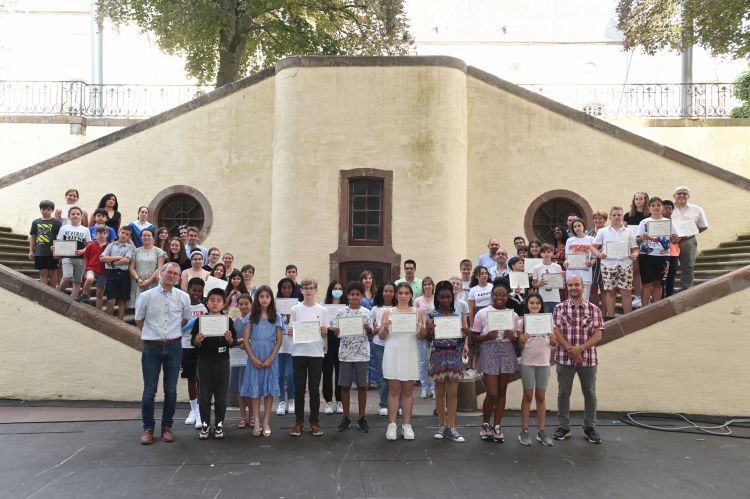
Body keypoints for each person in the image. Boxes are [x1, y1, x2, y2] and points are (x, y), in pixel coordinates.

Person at [135, 262, 192, 445]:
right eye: (169, 272)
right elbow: (139, 320)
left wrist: (170, 334)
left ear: (178, 277)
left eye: (176, 274)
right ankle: (148, 429)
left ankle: (167, 427)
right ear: (161, 273)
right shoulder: (146, 296)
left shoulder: (183, 297)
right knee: (149, 391)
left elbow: (184, 319)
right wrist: (154, 335)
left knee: (171, 390)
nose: (172, 276)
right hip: (151, 348)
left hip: (174, 347)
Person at [552, 275, 605, 444]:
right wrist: (570, 349)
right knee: (563, 393)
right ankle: (564, 427)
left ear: (583, 287)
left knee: (590, 393)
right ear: (567, 287)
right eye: (570, 285)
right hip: (564, 358)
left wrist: (579, 350)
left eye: (577, 285)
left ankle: (589, 427)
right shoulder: (559, 308)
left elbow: (598, 335)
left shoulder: (594, 309)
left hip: (587, 359)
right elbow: (556, 331)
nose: (574, 288)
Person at [472, 283, 519, 443]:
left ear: (508, 296)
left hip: (506, 352)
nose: (499, 297)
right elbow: (474, 337)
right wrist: (486, 337)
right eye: (496, 294)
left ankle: (497, 426)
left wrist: (513, 338)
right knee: (492, 392)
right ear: (491, 295)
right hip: (489, 351)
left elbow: (517, 340)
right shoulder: (482, 313)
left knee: (502, 391)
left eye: (503, 294)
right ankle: (485, 424)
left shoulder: (513, 316)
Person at [379, 282, 426, 440]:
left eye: (407, 293)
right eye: (401, 293)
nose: (404, 295)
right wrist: (385, 327)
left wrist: (421, 330)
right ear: (396, 295)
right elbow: (381, 336)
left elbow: (421, 337)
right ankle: (392, 425)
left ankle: (407, 426)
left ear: (411, 295)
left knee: (407, 391)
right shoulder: (388, 312)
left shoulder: (417, 312)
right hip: (393, 352)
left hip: (410, 353)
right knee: (393, 391)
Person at [425, 281, 469, 443]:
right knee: (439, 392)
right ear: (437, 297)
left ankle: (451, 427)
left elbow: (460, 340)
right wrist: (429, 332)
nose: (445, 300)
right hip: (437, 355)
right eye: (442, 297)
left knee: (452, 393)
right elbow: (427, 339)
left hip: (453, 354)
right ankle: (441, 425)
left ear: (452, 298)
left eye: (448, 297)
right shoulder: (431, 316)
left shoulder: (458, 316)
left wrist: (464, 334)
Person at [191, 288, 237, 440]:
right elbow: (193, 341)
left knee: (221, 397)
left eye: (219, 301)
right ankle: (205, 425)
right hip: (204, 361)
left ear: (224, 304)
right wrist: (197, 340)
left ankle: (219, 425)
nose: (215, 303)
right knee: (204, 396)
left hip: (222, 361)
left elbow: (233, 342)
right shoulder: (200, 321)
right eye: (212, 300)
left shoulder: (228, 321)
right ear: (207, 302)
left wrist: (230, 339)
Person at [331, 282, 374, 433]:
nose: (355, 297)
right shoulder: (341, 312)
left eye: (358, 294)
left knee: (363, 386)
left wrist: (369, 329)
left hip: (362, 354)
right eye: (352, 294)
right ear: (347, 295)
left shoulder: (366, 312)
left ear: (361, 296)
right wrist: (336, 331)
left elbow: (372, 333)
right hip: (345, 354)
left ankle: (362, 417)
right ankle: (346, 418)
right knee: (345, 386)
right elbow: (336, 333)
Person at [241, 285, 284, 438]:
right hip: (254, 355)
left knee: (269, 390)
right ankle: (256, 421)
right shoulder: (251, 317)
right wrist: (252, 358)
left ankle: (266, 420)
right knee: (255, 390)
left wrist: (271, 358)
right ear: (257, 299)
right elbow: (246, 341)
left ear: (271, 298)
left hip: (270, 356)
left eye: (267, 296)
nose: (264, 299)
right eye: (261, 296)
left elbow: (279, 340)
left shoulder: (277, 317)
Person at [288, 278, 328, 437]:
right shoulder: (295, 309)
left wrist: (325, 331)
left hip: (316, 353)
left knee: (313, 389)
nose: (308, 291)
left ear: (316, 290)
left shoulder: (322, 310)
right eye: (305, 288)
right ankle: (299, 421)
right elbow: (291, 331)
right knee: (298, 389)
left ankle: (315, 421)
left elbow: (325, 332)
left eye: (311, 288)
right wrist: (290, 332)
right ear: (301, 290)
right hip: (298, 353)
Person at [517, 293, 556, 447]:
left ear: (541, 305)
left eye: (537, 303)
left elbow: (553, 344)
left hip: (543, 363)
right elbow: (520, 347)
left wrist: (554, 341)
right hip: (527, 363)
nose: (534, 305)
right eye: (531, 303)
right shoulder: (521, 322)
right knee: (527, 395)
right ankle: (524, 430)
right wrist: (521, 341)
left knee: (540, 397)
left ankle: (541, 431)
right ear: (527, 304)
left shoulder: (548, 320)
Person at [591, 207, 639, 320]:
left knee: (626, 292)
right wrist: (598, 254)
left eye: (619, 215)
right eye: (614, 215)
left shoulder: (629, 232)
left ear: (622, 217)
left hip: (625, 265)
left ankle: (628, 317)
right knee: (610, 292)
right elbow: (593, 247)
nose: (617, 217)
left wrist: (635, 254)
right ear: (610, 217)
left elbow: (635, 248)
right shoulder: (602, 231)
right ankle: (611, 318)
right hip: (608, 265)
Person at [636, 197, 678, 306]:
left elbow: (674, 240)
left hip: (663, 257)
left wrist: (675, 239)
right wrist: (640, 238)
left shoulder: (668, 223)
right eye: (653, 205)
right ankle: (644, 309)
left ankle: (655, 308)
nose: (656, 207)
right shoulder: (644, 222)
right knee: (646, 284)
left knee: (659, 284)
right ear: (649, 208)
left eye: (658, 205)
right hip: (646, 256)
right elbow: (637, 239)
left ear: (662, 207)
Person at [671, 186, 709, 290]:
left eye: (685, 193)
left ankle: (686, 289)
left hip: (688, 241)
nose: (682, 195)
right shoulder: (668, 208)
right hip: (670, 241)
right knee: (667, 267)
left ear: (689, 196)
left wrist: (690, 234)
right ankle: (668, 289)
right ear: (674, 196)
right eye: (679, 193)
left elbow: (703, 226)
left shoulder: (697, 209)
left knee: (687, 267)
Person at [181, 277, 207, 430]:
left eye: (199, 291)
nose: (196, 293)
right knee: (191, 378)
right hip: (186, 346)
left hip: (200, 348)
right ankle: (193, 410)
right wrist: (192, 323)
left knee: (200, 379)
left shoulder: (204, 308)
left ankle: (200, 412)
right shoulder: (183, 307)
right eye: (194, 290)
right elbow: (179, 328)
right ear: (188, 290)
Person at [370, 281, 396, 417]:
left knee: (396, 374)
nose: (388, 293)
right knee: (382, 375)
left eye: (391, 291)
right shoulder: (375, 309)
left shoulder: (399, 308)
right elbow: (370, 327)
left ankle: (397, 404)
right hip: (379, 344)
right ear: (382, 292)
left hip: (396, 344)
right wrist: (376, 329)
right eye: (386, 291)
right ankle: (384, 404)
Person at [55, 206, 91, 301]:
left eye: (78, 214)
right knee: (67, 276)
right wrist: (55, 248)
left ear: (81, 216)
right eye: (73, 214)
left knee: (77, 281)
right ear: (68, 216)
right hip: (67, 257)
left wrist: (83, 251)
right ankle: (58, 295)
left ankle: (72, 300)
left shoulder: (85, 230)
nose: (75, 216)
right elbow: (59, 242)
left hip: (80, 258)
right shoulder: (64, 228)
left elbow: (89, 245)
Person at [322, 280, 346, 415]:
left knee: (340, 373)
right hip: (327, 341)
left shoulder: (346, 306)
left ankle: (340, 401)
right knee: (327, 372)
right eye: (335, 288)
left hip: (341, 341)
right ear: (330, 290)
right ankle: (328, 402)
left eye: (340, 288)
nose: (337, 290)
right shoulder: (323, 306)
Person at [101, 226, 134, 320]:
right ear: (119, 233)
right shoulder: (110, 245)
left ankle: (120, 323)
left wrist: (111, 262)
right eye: (123, 233)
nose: (124, 235)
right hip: (111, 274)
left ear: (129, 237)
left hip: (124, 275)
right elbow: (102, 258)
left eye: (127, 234)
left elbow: (126, 260)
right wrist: (118, 257)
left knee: (122, 301)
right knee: (111, 300)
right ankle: (109, 322)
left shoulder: (130, 248)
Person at [275, 277, 297, 416]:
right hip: (278, 345)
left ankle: (291, 400)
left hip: (292, 345)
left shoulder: (297, 305)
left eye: (289, 287)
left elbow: (303, 325)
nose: (286, 290)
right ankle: (281, 400)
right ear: (280, 289)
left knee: (290, 374)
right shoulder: (274, 306)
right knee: (279, 374)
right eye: (284, 287)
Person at [128, 228, 166, 308]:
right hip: (138, 283)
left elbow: (160, 267)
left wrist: (149, 281)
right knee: (139, 309)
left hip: (152, 283)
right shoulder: (136, 251)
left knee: (152, 308)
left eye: (149, 235)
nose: (146, 237)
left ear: (153, 238)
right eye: (144, 235)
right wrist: (138, 279)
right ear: (141, 237)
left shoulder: (159, 251)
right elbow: (131, 268)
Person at [232, 294, 254, 430]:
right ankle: (242, 416)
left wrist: (247, 342)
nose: (244, 306)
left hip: (251, 358)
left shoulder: (255, 320)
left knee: (251, 388)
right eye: (241, 304)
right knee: (240, 389)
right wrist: (242, 342)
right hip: (238, 358)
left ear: (251, 304)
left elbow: (257, 338)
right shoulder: (235, 321)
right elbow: (233, 340)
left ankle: (252, 416)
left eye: (246, 303)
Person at [28, 200, 61, 288]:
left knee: (52, 273)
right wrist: (31, 251)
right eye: (43, 209)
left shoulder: (57, 223)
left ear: (52, 210)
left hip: (52, 253)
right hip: (40, 252)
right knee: (43, 272)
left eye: (48, 209)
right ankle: (44, 292)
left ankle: (53, 293)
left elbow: (60, 237)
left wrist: (58, 251)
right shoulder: (36, 222)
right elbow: (33, 237)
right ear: (40, 209)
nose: (46, 211)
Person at [625, 191, 649, 307]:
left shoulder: (649, 215)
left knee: (646, 271)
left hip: (647, 246)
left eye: (641, 199)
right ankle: (639, 296)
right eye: (636, 199)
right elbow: (623, 231)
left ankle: (647, 295)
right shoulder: (628, 215)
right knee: (635, 271)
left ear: (645, 200)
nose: (638, 201)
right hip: (633, 246)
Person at [413, 276, 435, 399]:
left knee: (433, 362)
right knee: (423, 362)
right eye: (425, 284)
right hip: (421, 333)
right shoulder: (417, 300)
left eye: (429, 284)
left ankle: (433, 388)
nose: (427, 286)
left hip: (434, 334)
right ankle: (424, 388)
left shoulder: (436, 299)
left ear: (433, 286)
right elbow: (415, 316)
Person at [563, 219, 594, 301]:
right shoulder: (569, 240)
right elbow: (567, 258)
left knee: (584, 300)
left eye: (579, 225)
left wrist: (591, 263)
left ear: (583, 226)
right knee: (572, 300)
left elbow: (594, 257)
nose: (577, 228)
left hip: (585, 275)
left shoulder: (591, 239)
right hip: (572, 274)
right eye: (575, 226)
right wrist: (565, 263)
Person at [81, 225, 109, 309]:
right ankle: (84, 295)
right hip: (91, 268)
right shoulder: (90, 245)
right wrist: (88, 267)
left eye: (104, 233)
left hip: (103, 271)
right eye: (99, 233)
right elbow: (85, 258)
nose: (102, 235)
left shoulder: (109, 246)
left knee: (99, 293)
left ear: (107, 234)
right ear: (96, 234)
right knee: (89, 279)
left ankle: (98, 310)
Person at [531, 243, 563, 313]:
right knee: (545, 320)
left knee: (555, 320)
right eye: (544, 252)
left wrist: (562, 278)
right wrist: (539, 284)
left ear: (552, 253)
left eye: (548, 252)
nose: (546, 254)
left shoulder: (557, 267)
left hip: (555, 298)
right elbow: (533, 285)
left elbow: (561, 284)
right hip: (543, 299)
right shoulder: (537, 268)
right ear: (541, 254)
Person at [661, 200, 681, 297]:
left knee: (671, 276)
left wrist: (677, 238)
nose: (668, 210)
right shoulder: (656, 223)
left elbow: (678, 237)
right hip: (661, 254)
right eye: (665, 208)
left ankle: (669, 296)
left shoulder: (676, 223)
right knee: (661, 277)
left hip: (673, 253)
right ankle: (659, 297)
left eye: (670, 209)